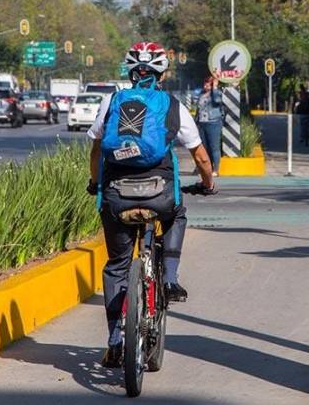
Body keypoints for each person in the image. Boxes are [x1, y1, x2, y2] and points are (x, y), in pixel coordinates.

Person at [86, 41, 216, 368]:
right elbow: (200, 156)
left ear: (131, 72)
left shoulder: (112, 101)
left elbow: (96, 151)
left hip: (116, 194)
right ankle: (169, 278)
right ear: (162, 72)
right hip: (159, 194)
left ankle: (116, 340)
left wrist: (95, 183)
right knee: (178, 214)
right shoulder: (173, 106)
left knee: (117, 264)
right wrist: (208, 183)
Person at [196, 75, 223, 175]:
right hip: (202, 123)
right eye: (205, 83)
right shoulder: (201, 94)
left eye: (209, 84)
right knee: (204, 148)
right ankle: (207, 168)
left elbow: (217, 101)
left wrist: (215, 88)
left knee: (214, 147)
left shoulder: (216, 94)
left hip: (213, 122)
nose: (206, 86)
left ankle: (215, 170)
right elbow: (198, 109)